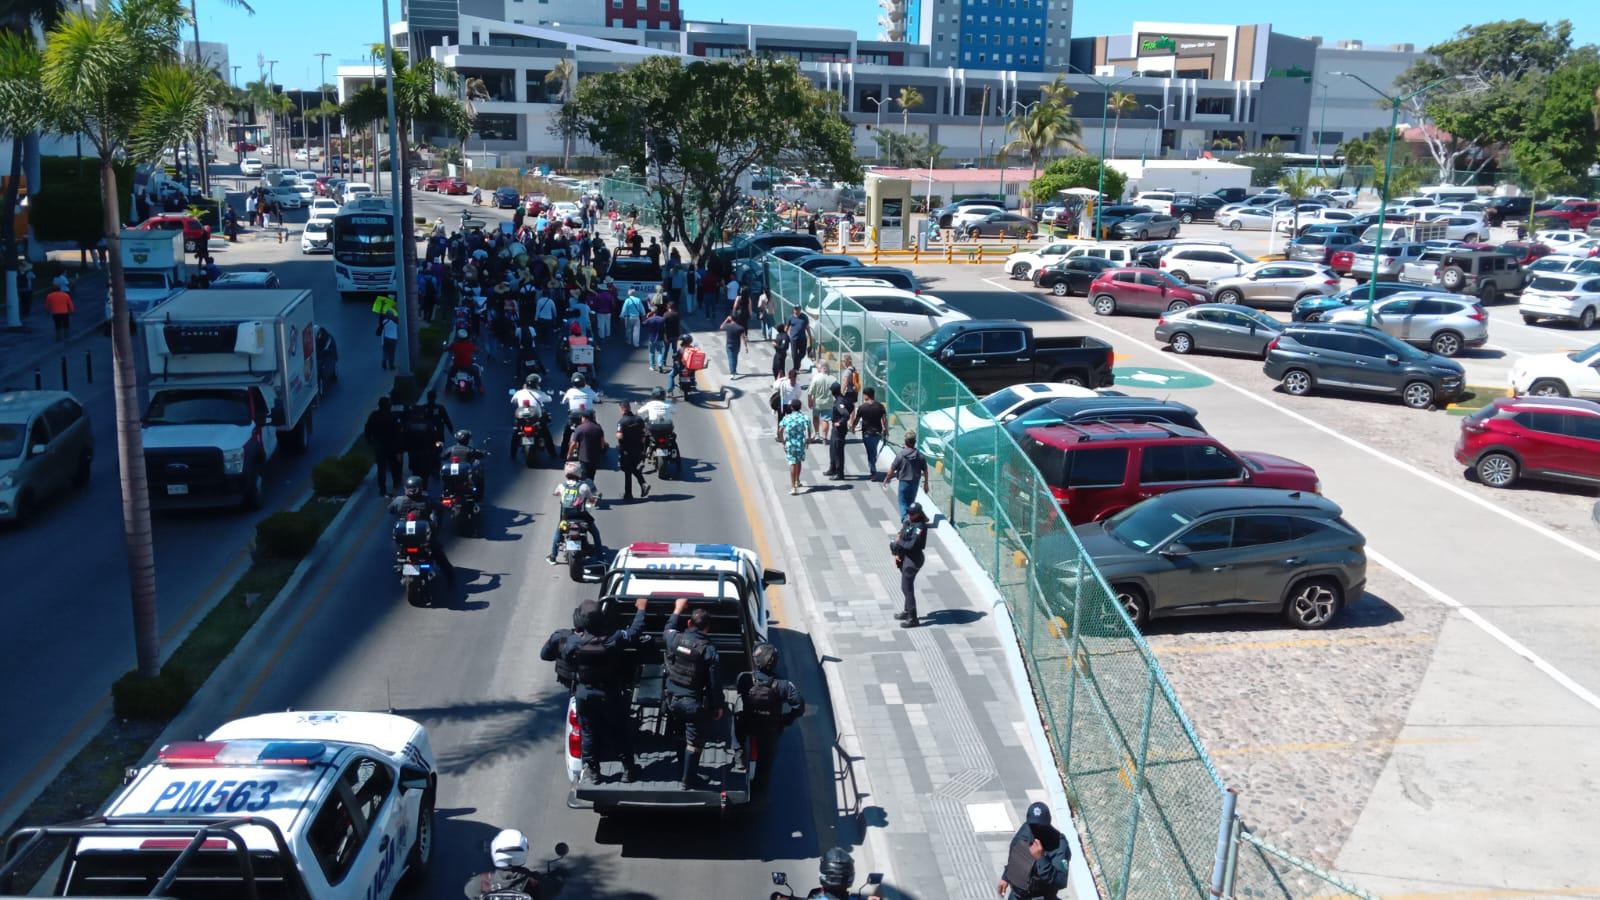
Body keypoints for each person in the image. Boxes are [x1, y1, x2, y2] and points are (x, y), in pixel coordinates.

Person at [554, 597, 650, 783]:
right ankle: (629, 770)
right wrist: (641, 609)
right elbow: (635, 632)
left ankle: (594, 772)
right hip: (610, 695)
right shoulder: (613, 639)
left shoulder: (574, 642)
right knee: (619, 732)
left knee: (589, 733)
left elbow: (564, 655)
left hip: (586, 695)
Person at [663, 598, 723, 790]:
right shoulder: (709, 651)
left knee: (679, 734)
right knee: (694, 743)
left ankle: (681, 768)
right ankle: (688, 780)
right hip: (693, 703)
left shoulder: (673, 638)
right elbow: (714, 684)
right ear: (709, 628)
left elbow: (669, 627)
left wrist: (677, 608)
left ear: (689, 623)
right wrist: (717, 706)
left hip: (671, 699)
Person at [733, 641, 805, 776]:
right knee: (766, 760)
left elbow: (739, 693)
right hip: (770, 729)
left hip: (748, 724)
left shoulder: (743, 678)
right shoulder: (784, 685)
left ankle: (739, 754)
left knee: (736, 711)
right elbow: (799, 707)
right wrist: (785, 720)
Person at [386, 476, 455, 581]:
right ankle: (451, 578)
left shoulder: (399, 500)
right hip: (423, 537)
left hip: (405, 538)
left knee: (397, 550)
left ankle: (401, 564)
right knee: (439, 555)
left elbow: (390, 510)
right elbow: (440, 508)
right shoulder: (427, 500)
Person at [998, 802, 1071, 899]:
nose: (1037, 829)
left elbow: (1060, 881)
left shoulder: (1059, 844)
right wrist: (1005, 877)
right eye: (1033, 826)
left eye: (1041, 826)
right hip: (1017, 896)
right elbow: (1015, 856)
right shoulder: (1026, 830)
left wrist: (1041, 858)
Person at [463, 829, 543, 899]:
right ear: (524, 852)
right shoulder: (537, 881)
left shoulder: (478, 883)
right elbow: (554, 888)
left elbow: (468, 891)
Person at [547, 462, 602, 564]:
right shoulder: (584, 486)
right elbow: (591, 499)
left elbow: (555, 493)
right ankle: (600, 557)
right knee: (596, 534)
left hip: (566, 517)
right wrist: (593, 500)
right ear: (579, 473)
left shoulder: (561, 485)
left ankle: (553, 557)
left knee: (557, 534)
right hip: (581, 516)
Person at [892, 502, 930, 628]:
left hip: (913, 559)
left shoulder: (920, 527)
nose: (909, 515)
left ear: (918, 514)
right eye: (909, 512)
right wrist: (898, 551)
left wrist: (899, 541)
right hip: (905, 557)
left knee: (906, 587)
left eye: (912, 513)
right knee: (906, 586)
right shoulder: (909, 521)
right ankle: (907, 611)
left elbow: (911, 545)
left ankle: (913, 618)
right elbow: (902, 532)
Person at [509, 373, 555, 465]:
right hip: (536, 420)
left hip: (522, 420)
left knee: (515, 434)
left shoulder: (519, 393)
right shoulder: (540, 393)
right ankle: (552, 453)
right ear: (536, 384)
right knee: (546, 433)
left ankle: (512, 454)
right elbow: (549, 399)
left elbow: (512, 400)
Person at [364, 396, 405, 496]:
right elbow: (398, 433)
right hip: (391, 446)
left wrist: (370, 441)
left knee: (381, 467)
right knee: (394, 466)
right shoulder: (392, 417)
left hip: (379, 446)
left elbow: (367, 429)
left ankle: (382, 488)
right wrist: (399, 448)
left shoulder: (374, 416)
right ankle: (396, 483)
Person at [885, 432, 930, 520]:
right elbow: (925, 471)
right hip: (915, 483)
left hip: (904, 482)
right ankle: (914, 518)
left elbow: (892, 469)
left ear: (905, 442)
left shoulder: (901, 455)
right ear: (914, 442)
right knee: (910, 502)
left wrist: (887, 478)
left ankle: (905, 519)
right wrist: (926, 484)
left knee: (902, 502)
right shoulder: (920, 456)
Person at [849, 387, 888, 481]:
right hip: (878, 433)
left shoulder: (862, 407)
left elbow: (856, 419)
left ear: (866, 395)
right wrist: (886, 430)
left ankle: (873, 472)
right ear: (873, 395)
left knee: (870, 452)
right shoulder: (880, 406)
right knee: (873, 451)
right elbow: (884, 419)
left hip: (867, 434)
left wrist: (853, 427)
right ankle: (873, 466)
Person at [559, 373, 600, 459]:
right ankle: (600, 449)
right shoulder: (589, 390)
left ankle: (563, 453)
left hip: (573, 419)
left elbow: (563, 402)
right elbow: (597, 399)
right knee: (597, 430)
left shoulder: (570, 391)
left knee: (566, 434)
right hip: (588, 419)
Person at [614, 401, 649, 500]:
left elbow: (620, 436)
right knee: (632, 468)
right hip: (638, 449)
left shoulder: (622, 422)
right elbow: (644, 433)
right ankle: (638, 487)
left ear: (622, 409)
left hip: (626, 450)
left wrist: (617, 435)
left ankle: (630, 493)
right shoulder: (639, 419)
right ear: (629, 408)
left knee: (628, 470)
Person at [439, 429, 486, 500]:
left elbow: (442, 456)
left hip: (452, 479)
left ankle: (445, 492)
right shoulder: (469, 450)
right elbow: (480, 454)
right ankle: (478, 498)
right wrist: (484, 453)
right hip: (464, 478)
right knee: (479, 476)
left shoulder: (451, 449)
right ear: (467, 440)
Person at [778, 398, 809, 495]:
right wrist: (808, 442)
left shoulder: (787, 418)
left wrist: (783, 441)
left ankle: (793, 487)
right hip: (800, 443)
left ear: (791, 408)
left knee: (792, 463)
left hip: (790, 444)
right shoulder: (805, 418)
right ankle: (797, 480)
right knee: (798, 461)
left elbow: (780, 431)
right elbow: (809, 431)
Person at [822, 382, 853, 480]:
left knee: (838, 450)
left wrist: (840, 422)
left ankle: (840, 473)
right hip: (836, 429)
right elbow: (851, 407)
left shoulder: (839, 402)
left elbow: (846, 414)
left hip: (839, 429)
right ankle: (833, 468)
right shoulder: (842, 399)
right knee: (832, 448)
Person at [568, 409, 606, 480]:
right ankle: (591, 489)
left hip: (584, 458)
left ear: (584, 418)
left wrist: (569, 455)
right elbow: (602, 444)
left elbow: (573, 444)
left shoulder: (580, 428)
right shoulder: (598, 428)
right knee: (591, 477)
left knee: (584, 477)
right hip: (595, 458)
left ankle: (585, 489)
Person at [806, 359, 837, 444]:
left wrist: (810, 401)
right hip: (828, 403)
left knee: (816, 417)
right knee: (825, 420)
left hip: (817, 402)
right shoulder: (833, 379)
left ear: (821, 368)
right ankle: (825, 437)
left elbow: (810, 392)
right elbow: (836, 392)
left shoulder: (816, 378)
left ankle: (816, 434)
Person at [446, 328, 483, 393]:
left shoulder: (455, 345)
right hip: (468, 366)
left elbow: (448, 348)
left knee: (450, 374)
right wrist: (478, 349)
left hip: (457, 366)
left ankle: (447, 389)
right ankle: (480, 388)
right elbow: (477, 350)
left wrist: (445, 349)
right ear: (466, 338)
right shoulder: (470, 345)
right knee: (476, 373)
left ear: (458, 337)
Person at [719, 310, 747, 376]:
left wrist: (726, 319)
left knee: (730, 358)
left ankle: (732, 372)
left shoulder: (727, 326)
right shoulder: (740, 328)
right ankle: (734, 370)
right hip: (737, 345)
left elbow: (721, 327)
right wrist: (746, 347)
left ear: (731, 318)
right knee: (735, 358)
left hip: (729, 344)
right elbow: (744, 338)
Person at [643, 305, 667, 371]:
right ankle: (660, 364)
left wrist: (647, 317)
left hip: (652, 339)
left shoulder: (650, 319)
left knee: (652, 352)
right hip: (660, 338)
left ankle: (652, 366)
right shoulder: (662, 319)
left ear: (652, 312)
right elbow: (665, 329)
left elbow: (644, 324)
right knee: (660, 352)